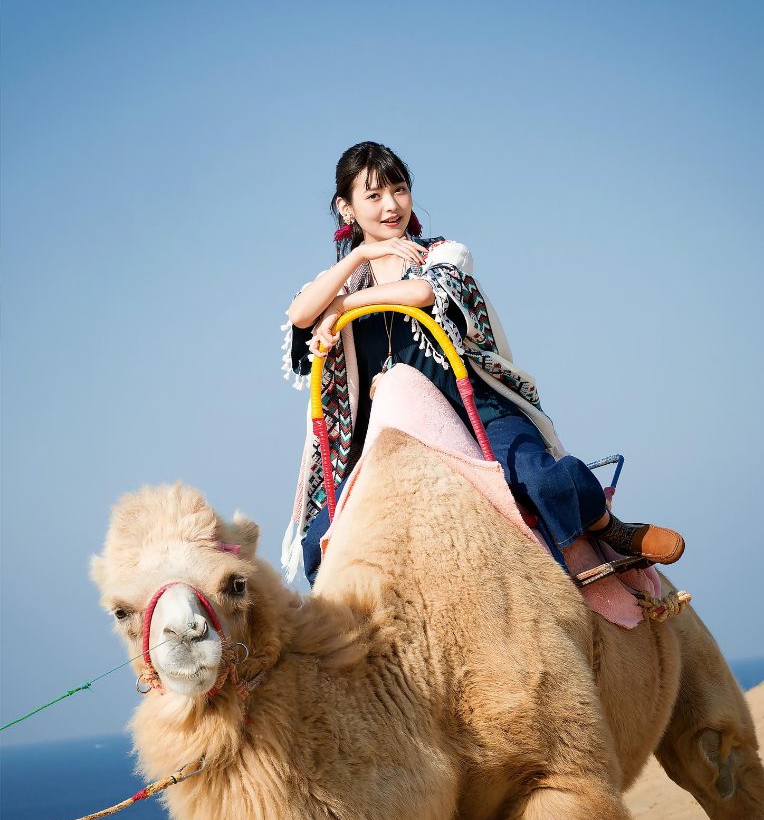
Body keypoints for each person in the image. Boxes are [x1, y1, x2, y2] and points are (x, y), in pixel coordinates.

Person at [280, 140, 684, 586]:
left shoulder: (443, 252)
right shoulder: (342, 278)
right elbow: (300, 314)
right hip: (384, 430)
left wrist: (342, 307)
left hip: (469, 409)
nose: (390, 205)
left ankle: (607, 526)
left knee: (537, 476)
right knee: (321, 538)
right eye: (373, 195)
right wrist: (359, 257)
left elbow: (423, 293)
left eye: (398, 189)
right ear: (346, 208)